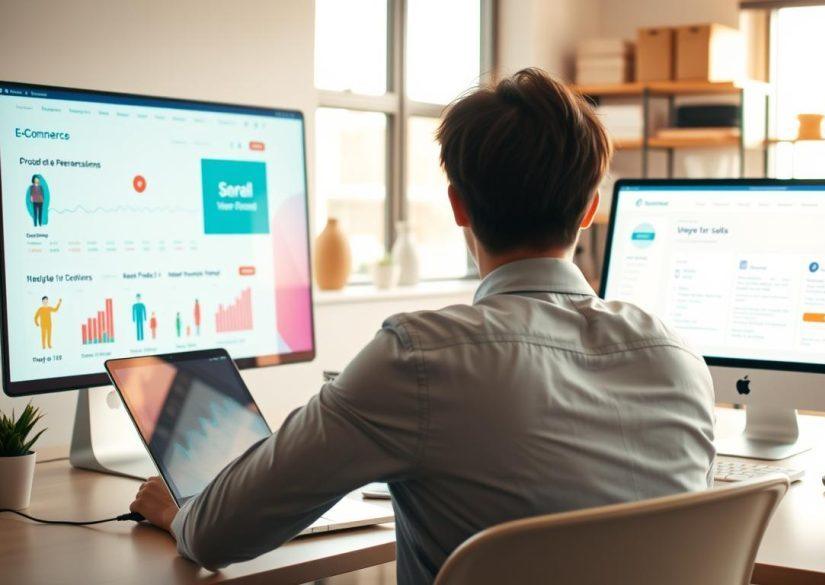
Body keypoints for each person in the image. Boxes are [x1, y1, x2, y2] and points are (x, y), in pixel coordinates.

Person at [129, 68, 716, 584]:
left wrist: (180, 512)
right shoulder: (678, 358)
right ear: (590, 209)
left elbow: (218, 537)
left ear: (458, 204)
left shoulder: (418, 358)